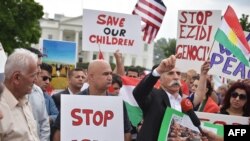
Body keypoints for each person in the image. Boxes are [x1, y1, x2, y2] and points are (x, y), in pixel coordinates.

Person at [132, 55, 210, 141]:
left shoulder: (185, 102)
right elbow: (138, 93)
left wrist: (203, 74)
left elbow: (199, 95)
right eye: (170, 73)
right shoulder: (153, 95)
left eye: (178, 73)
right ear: (160, 79)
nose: (176, 77)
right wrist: (158, 71)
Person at [51, 60, 132, 141]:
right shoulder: (72, 102)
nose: (110, 77)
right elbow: (58, 134)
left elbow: (126, 133)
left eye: (111, 73)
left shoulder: (118, 103)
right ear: (91, 76)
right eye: (105, 74)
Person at [0, 48, 39, 141]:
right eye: (33, 75)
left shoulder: (25, 101)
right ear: (17, 77)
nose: (36, 80)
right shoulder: (1, 108)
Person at [27, 47, 50, 141]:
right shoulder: (6, 92)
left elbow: (44, 123)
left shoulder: (38, 91)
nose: (40, 70)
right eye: (38, 65)